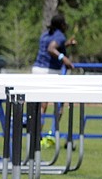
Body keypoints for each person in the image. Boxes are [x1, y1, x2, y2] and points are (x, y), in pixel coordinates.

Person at [31, 12, 77, 144]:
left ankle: (36, 134)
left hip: (37, 69)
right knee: (59, 103)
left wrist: (67, 44)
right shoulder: (60, 35)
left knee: (40, 105)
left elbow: (52, 47)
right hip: (50, 71)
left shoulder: (45, 34)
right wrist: (65, 59)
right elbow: (51, 49)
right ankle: (49, 134)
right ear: (61, 25)